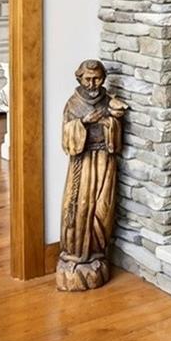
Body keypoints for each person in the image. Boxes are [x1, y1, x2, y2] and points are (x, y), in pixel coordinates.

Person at [57, 60, 127, 291]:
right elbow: (67, 137)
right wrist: (85, 123)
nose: (92, 83)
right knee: (79, 207)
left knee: (102, 207)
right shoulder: (74, 104)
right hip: (84, 164)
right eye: (87, 79)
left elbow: (116, 134)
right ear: (80, 79)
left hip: (104, 161)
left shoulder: (108, 101)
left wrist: (110, 122)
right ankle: (76, 254)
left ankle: (97, 252)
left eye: (97, 78)